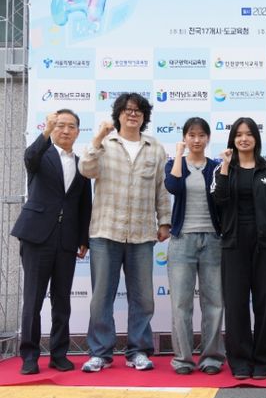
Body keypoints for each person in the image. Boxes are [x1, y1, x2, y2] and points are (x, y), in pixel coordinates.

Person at [78, 92, 171, 372]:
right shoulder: (104, 144)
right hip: (105, 231)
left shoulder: (155, 148)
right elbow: (86, 169)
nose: (132, 114)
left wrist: (164, 221)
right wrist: (97, 138)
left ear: (144, 117)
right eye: (127, 110)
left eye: (138, 111)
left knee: (143, 298)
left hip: (142, 233)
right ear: (118, 114)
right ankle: (100, 353)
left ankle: (138, 351)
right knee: (101, 298)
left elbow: (161, 188)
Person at [11, 110, 92, 375]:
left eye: (71, 126)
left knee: (62, 301)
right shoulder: (40, 155)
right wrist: (45, 131)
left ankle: (59, 354)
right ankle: (29, 356)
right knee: (33, 300)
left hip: (67, 240)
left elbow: (84, 204)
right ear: (51, 129)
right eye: (60, 126)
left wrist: (83, 238)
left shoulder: (82, 164)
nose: (65, 130)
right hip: (37, 237)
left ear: (78, 131)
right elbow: (29, 157)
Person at [211, 117, 266, 380]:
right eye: (239, 134)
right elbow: (218, 200)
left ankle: (264, 361)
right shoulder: (222, 169)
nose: (244, 139)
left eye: (249, 134)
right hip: (233, 243)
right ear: (232, 139)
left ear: (256, 138)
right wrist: (225, 166)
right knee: (236, 305)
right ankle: (240, 361)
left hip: (265, 244)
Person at [164, 117, 225, 375]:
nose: (196, 140)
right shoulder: (173, 165)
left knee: (214, 302)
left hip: (212, 240)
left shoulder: (216, 166)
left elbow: (223, 197)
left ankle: (211, 358)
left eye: (201, 135)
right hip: (182, 241)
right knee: (181, 303)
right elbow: (174, 186)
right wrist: (179, 155)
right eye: (191, 135)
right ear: (184, 138)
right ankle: (183, 359)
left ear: (208, 138)